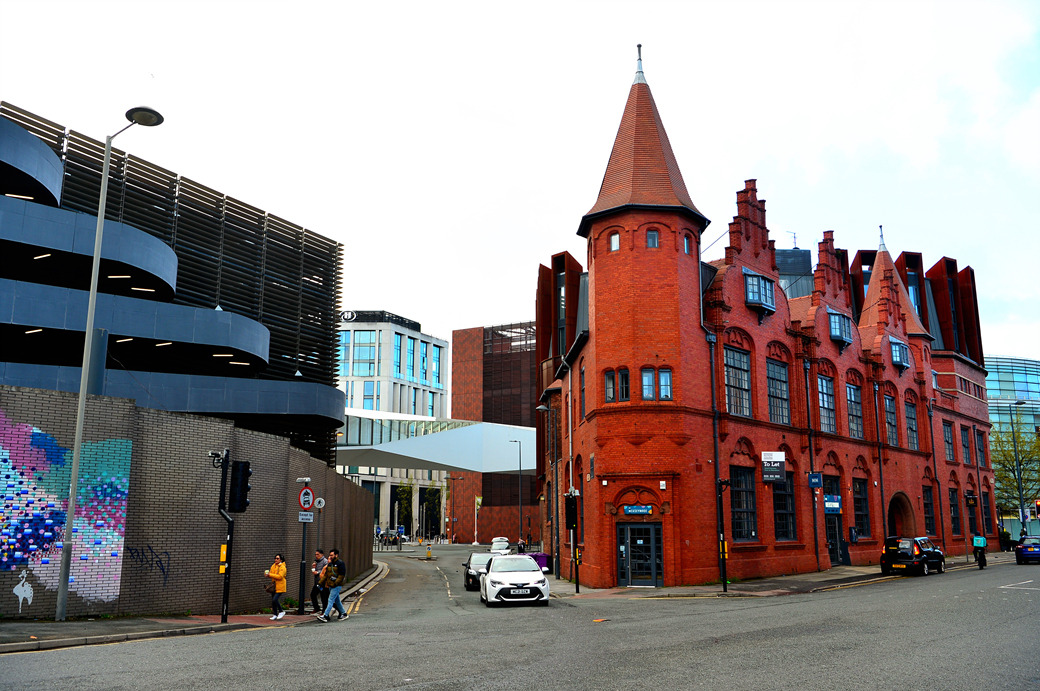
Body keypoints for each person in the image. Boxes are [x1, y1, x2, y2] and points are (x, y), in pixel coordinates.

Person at [316, 548, 348, 622]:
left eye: (332, 555)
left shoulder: (340, 563)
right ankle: (344, 613)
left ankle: (325, 615)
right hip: (330, 585)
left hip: (336, 585)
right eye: (330, 555)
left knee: (330, 600)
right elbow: (326, 575)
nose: (330, 557)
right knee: (337, 601)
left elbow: (342, 575)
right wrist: (320, 583)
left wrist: (336, 582)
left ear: (336, 555)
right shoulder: (330, 564)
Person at [265, 553, 287, 620]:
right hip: (274, 586)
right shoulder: (273, 566)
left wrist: (270, 575)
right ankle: (275, 614)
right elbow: (271, 573)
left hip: (280, 586)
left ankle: (281, 611)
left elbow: (280, 576)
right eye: (275, 558)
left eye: (277, 558)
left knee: (275, 599)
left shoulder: (282, 567)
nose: (276, 560)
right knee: (273, 601)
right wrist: (267, 575)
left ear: (281, 560)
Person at [310, 548, 329, 614]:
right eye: (315, 554)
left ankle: (324, 611)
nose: (316, 556)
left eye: (318, 554)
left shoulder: (325, 561)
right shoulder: (316, 561)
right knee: (313, 595)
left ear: (322, 555)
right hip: (317, 582)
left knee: (323, 597)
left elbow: (326, 570)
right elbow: (315, 570)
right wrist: (314, 567)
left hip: (323, 582)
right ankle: (317, 608)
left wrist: (317, 572)